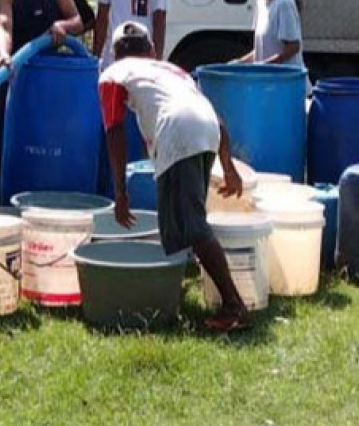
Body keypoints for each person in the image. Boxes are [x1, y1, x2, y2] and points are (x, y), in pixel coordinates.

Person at [99, 21, 250, 332]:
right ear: (152, 50)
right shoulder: (173, 71)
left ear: (115, 54)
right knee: (182, 224)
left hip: (178, 131)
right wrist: (228, 167)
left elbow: (114, 131)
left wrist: (121, 191)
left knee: (192, 226)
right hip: (207, 128)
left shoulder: (113, 75)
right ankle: (175, 288)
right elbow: (214, 116)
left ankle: (234, 306)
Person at [0, 0, 83, 200]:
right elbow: (3, 26)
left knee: (46, 138)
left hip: (47, 75)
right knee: (0, 135)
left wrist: (63, 26)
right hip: (12, 71)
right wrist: (4, 54)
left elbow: (77, 20)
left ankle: (49, 192)